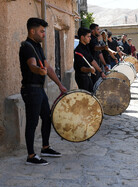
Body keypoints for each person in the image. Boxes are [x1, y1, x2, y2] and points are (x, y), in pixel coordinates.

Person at [19, 18, 67, 165]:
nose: (44, 34)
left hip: (39, 90)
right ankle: (31, 156)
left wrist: (60, 84)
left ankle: (45, 147)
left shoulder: (38, 47)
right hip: (30, 90)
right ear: (32, 31)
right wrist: (38, 71)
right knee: (32, 123)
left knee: (47, 117)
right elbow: (32, 65)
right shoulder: (27, 47)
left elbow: (49, 68)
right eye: (41, 31)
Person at [74, 27, 105, 92]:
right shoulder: (78, 51)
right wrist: (89, 69)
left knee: (91, 93)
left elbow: (92, 61)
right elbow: (81, 68)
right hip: (81, 78)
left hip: (88, 76)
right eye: (88, 37)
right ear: (82, 37)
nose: (90, 38)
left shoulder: (86, 47)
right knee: (86, 97)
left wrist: (101, 71)